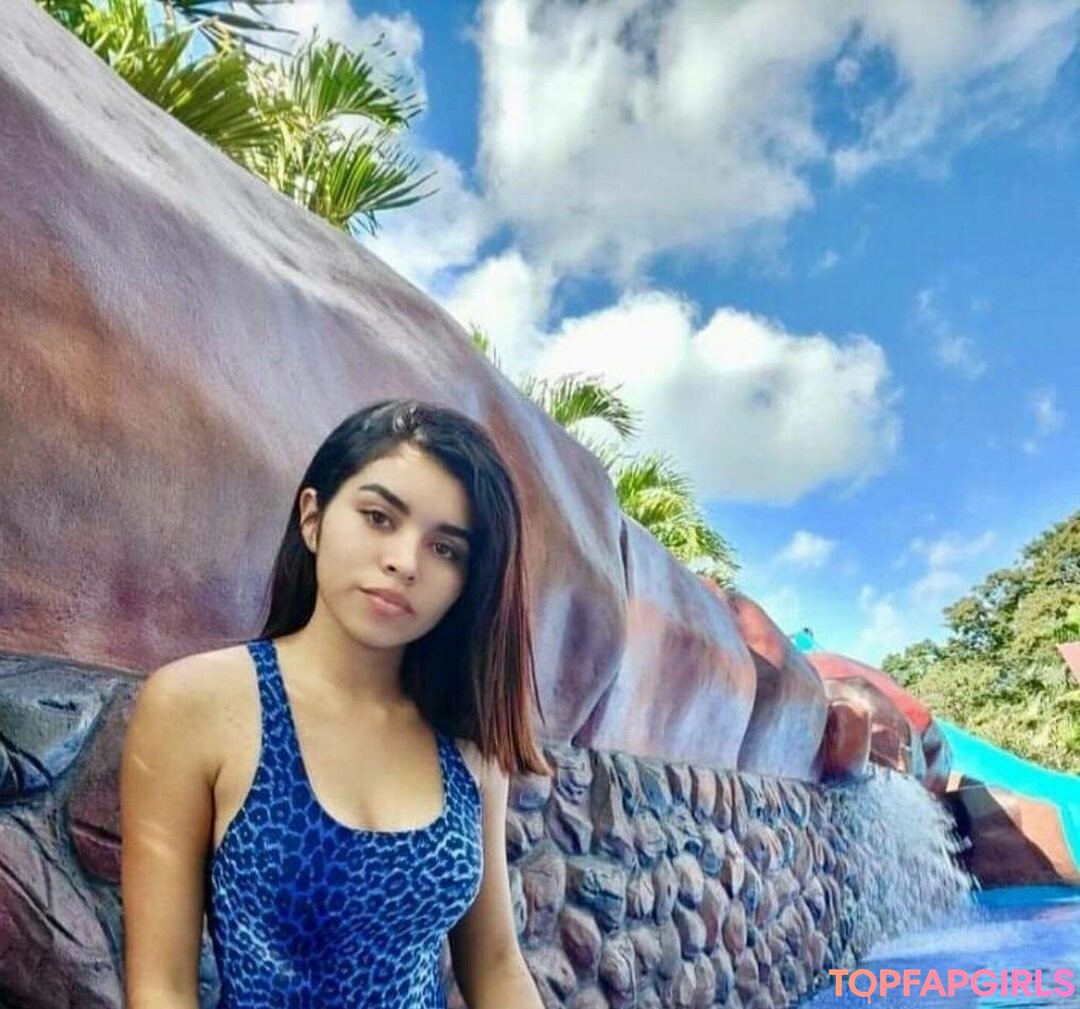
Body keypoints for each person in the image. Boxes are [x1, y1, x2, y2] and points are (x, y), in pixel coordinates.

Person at [120, 398, 551, 1009]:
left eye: (445, 549)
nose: (404, 562)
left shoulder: (467, 743)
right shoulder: (198, 705)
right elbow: (161, 988)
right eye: (379, 517)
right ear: (313, 518)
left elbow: (498, 967)